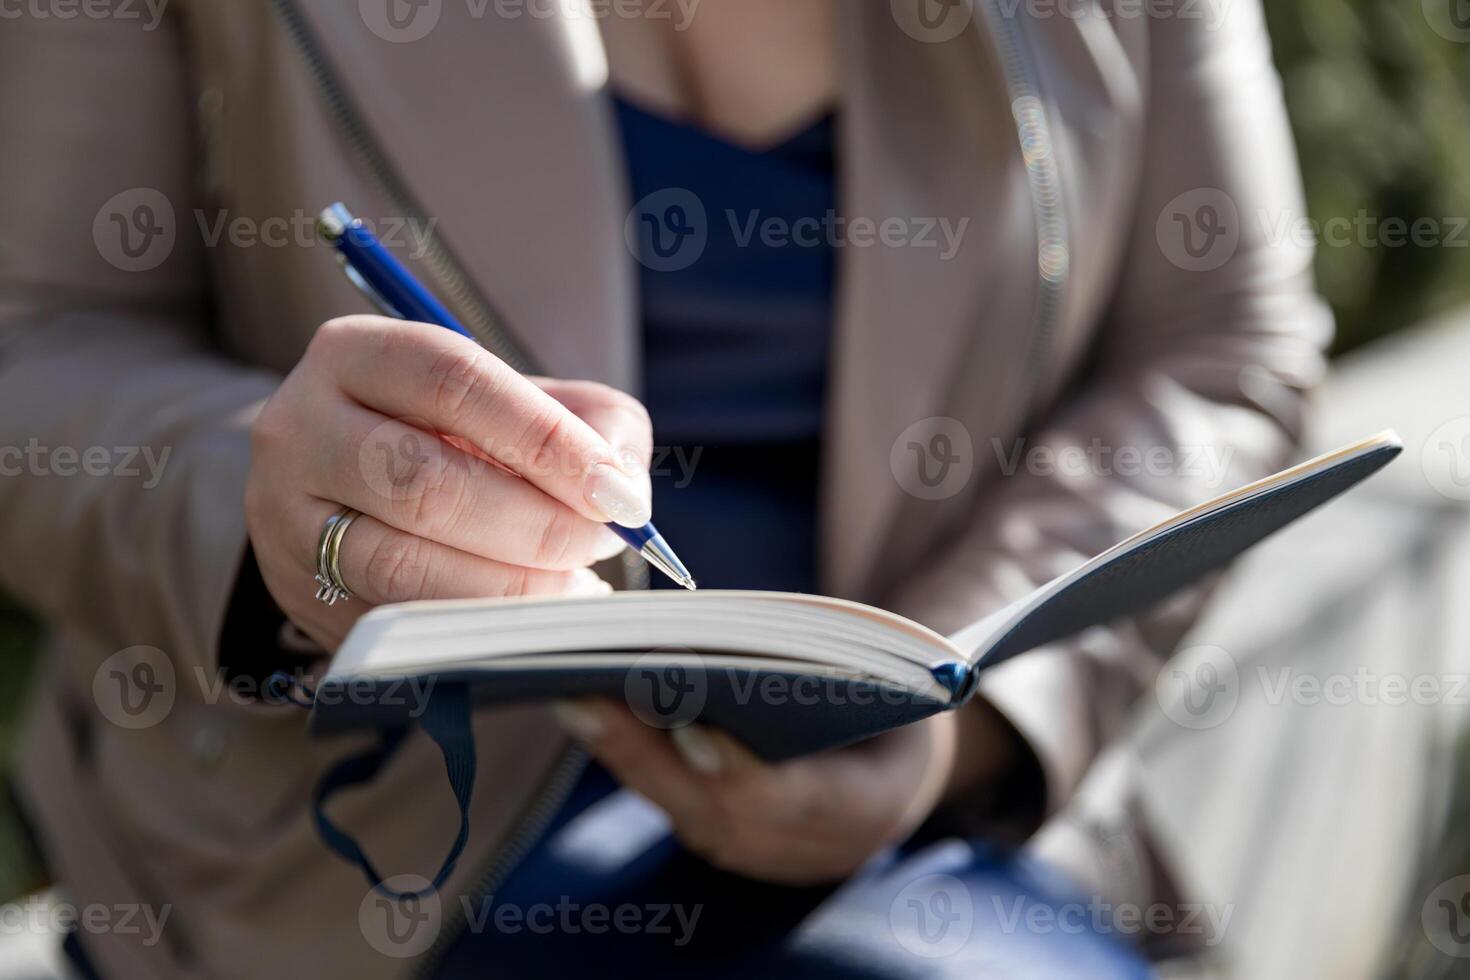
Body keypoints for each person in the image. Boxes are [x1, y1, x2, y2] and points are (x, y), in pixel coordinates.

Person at [0, 0, 1328, 976]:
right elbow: (32, 352)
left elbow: (1222, 343)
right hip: (358, 846)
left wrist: (949, 727)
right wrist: (280, 509)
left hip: (938, 826)